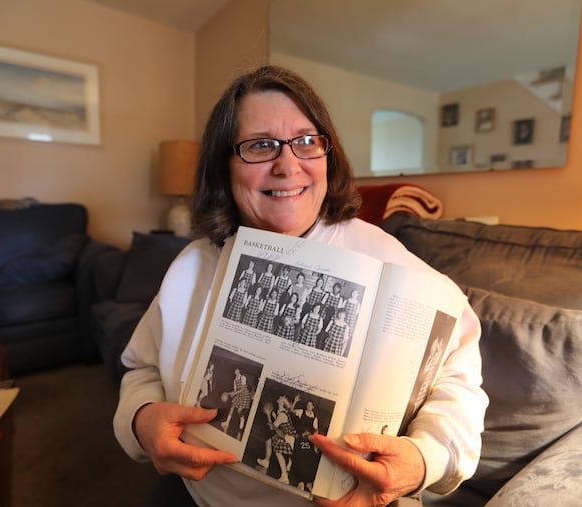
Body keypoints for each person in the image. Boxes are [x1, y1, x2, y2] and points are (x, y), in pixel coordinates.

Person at [113, 65, 487, 507]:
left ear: (328, 155)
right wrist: (141, 421)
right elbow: (142, 370)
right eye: (261, 145)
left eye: (307, 142)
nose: (288, 165)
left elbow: (458, 383)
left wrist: (424, 459)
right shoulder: (192, 262)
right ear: (224, 165)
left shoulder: (390, 262)